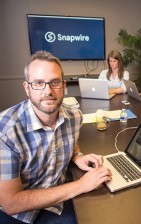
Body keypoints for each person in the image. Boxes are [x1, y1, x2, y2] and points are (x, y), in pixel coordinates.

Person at [0, 51, 112, 223]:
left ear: (63, 86)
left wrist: (77, 155)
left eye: (54, 82)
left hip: (58, 201)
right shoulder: (5, 131)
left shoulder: (75, 117)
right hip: (19, 214)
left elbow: (68, 141)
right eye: (38, 83)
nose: (48, 91)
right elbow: (11, 203)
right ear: (27, 88)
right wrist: (81, 185)